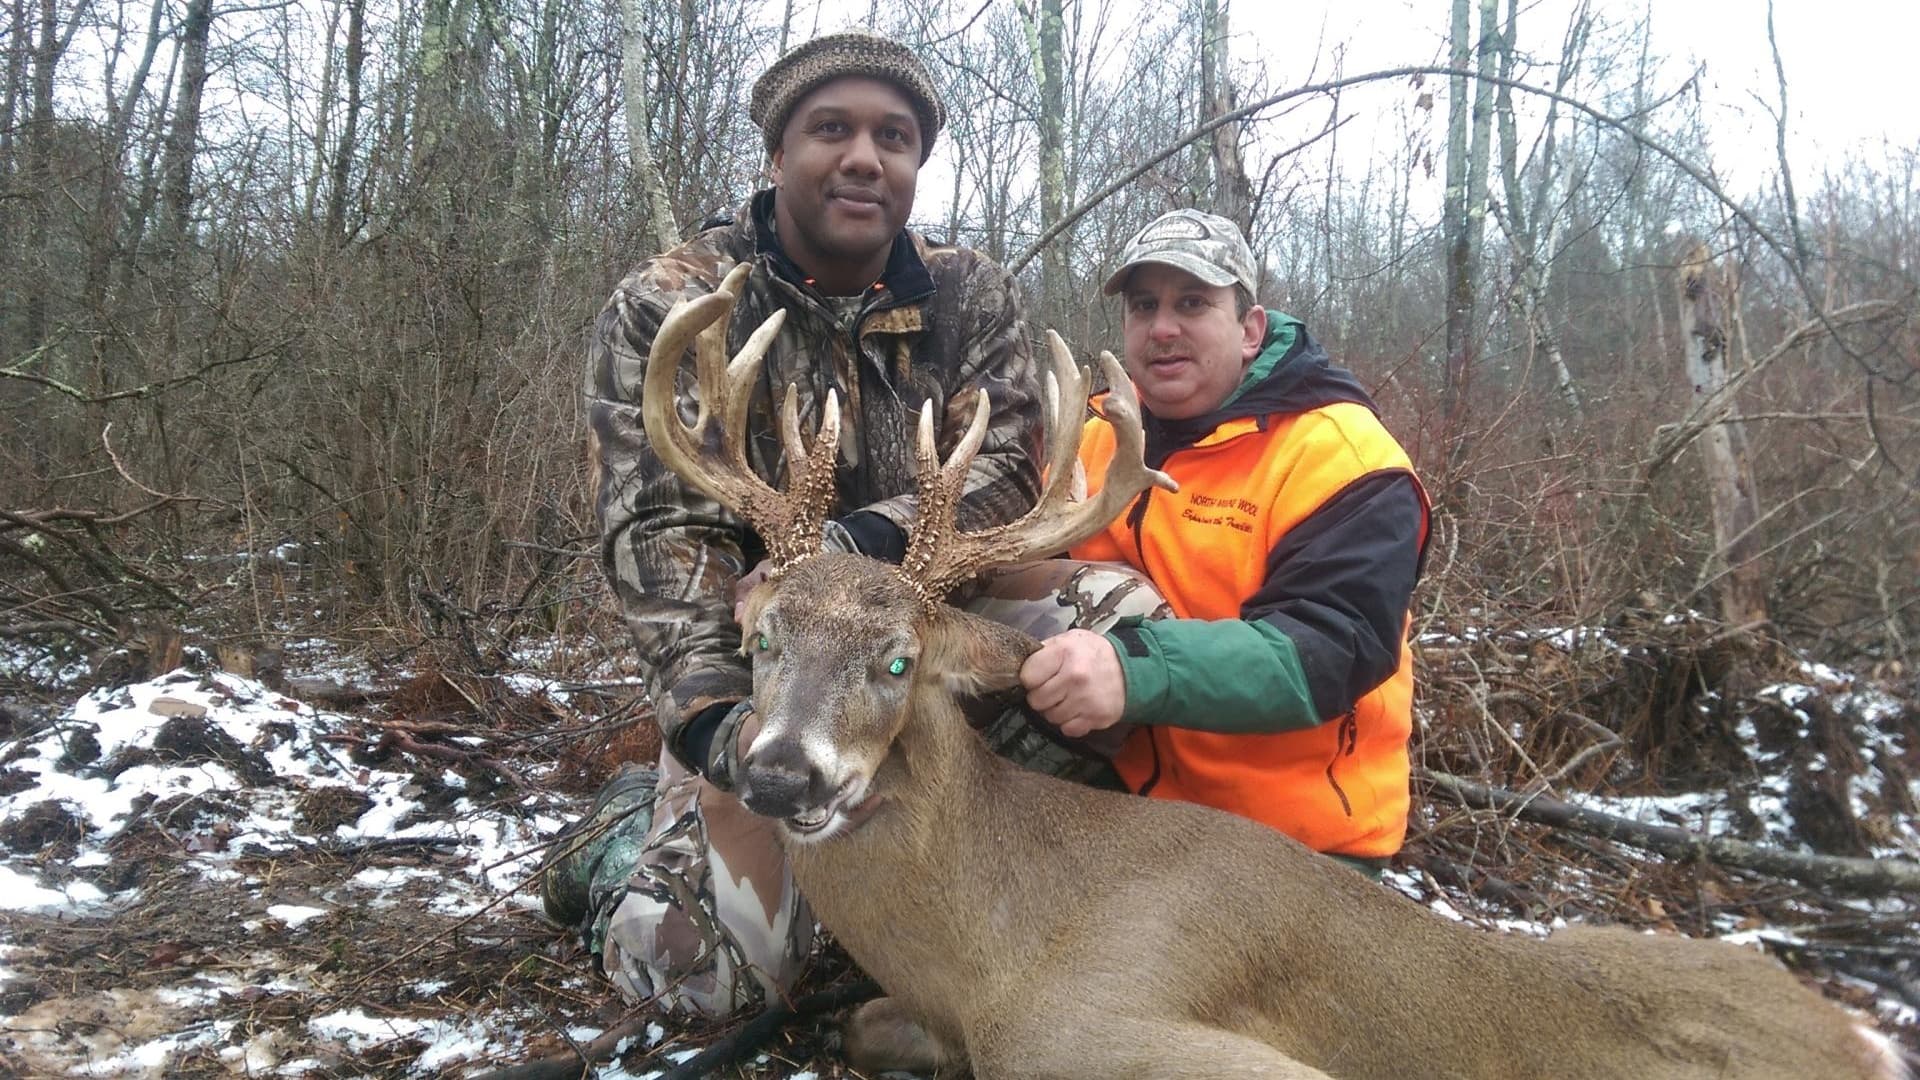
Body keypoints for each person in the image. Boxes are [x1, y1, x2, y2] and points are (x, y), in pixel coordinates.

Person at [542, 31, 1049, 1018]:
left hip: (924, 644)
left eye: (894, 138)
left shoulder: (967, 295)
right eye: (832, 130)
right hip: (770, 677)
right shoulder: (676, 304)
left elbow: (1006, 469)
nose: (865, 156)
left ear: (914, 168)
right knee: (699, 978)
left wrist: (861, 540)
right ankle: (615, 845)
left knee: (1115, 621)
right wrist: (718, 731)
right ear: (777, 156)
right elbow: (661, 538)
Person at [1017, 208, 1430, 867]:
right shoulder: (1092, 438)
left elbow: (1328, 648)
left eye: (1193, 303)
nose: (1162, 328)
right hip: (1128, 798)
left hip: (1292, 839)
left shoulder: (1344, 460)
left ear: (1250, 330)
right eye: (1143, 305)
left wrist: (1133, 669)